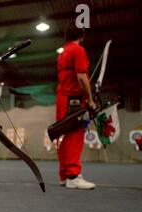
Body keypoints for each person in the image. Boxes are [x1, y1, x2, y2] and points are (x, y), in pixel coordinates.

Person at [56, 22, 96, 190]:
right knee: (74, 134)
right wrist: (90, 99)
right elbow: (81, 77)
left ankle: (64, 175)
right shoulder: (77, 50)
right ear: (81, 35)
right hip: (73, 99)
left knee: (63, 135)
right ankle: (73, 175)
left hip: (62, 98)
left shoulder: (63, 52)